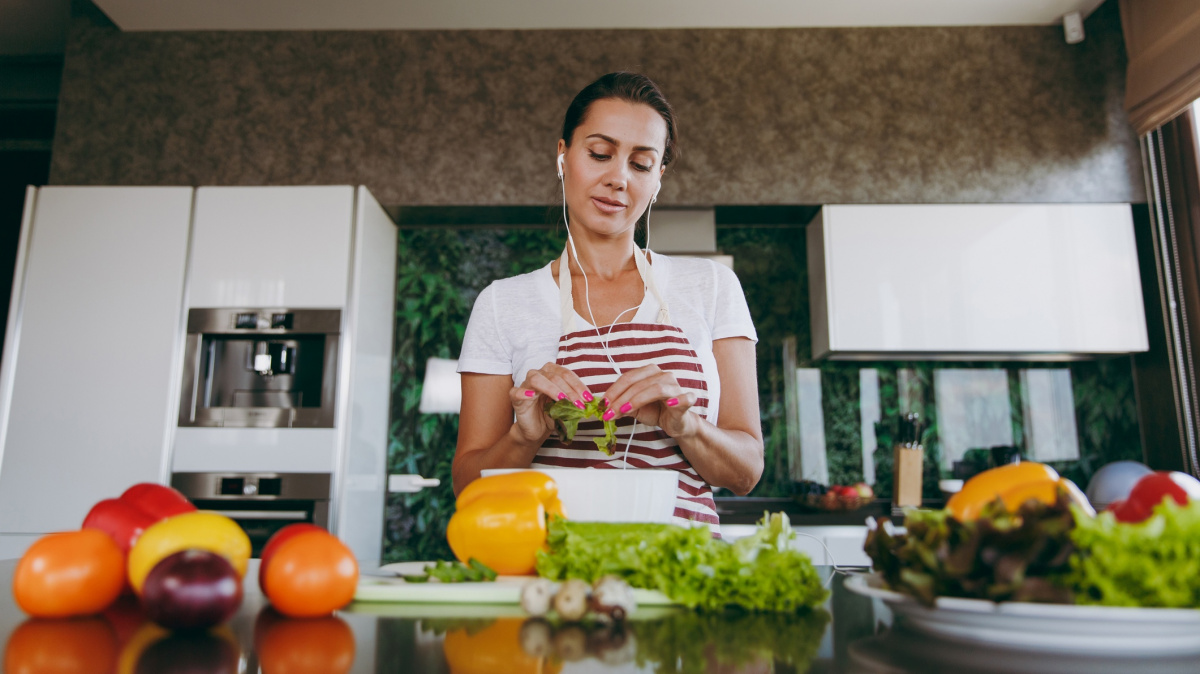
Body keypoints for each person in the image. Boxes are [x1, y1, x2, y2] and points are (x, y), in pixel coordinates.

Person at [452, 72, 763, 533]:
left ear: (658, 179)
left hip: (682, 569)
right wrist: (525, 435)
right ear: (563, 156)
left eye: (641, 164)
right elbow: (467, 487)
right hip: (552, 570)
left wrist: (688, 426)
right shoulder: (503, 303)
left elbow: (745, 473)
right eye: (600, 154)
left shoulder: (711, 286)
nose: (618, 178)